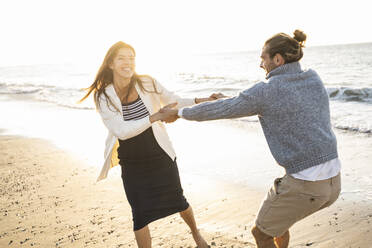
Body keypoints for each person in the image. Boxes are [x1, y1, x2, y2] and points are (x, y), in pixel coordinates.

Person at [160, 30, 341, 248]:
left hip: (307, 183)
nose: (260, 64)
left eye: (263, 58)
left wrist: (179, 112)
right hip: (333, 182)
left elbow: (232, 107)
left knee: (261, 233)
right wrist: (232, 100)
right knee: (279, 225)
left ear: (277, 59)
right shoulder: (313, 77)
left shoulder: (267, 91)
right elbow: (275, 103)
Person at [80, 41, 223, 248]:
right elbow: (121, 131)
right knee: (139, 213)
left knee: (179, 201)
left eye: (131, 58)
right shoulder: (103, 96)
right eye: (122, 58)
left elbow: (174, 100)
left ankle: (196, 235)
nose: (128, 62)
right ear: (110, 63)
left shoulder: (146, 83)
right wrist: (155, 116)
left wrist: (203, 100)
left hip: (159, 153)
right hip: (132, 161)